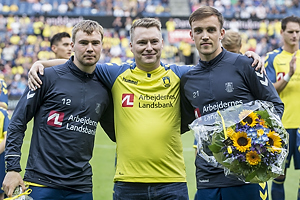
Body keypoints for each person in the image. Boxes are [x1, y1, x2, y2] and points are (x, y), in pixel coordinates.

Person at [27, 18, 264, 200]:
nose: (148, 47)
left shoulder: (180, 74)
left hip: (172, 183)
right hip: (127, 184)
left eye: (153, 41)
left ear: (162, 43)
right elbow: (78, 63)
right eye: (141, 42)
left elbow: (216, 66)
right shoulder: (114, 74)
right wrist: (42, 63)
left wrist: (245, 58)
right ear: (131, 46)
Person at [2, 20, 114, 200]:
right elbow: (17, 122)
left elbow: (117, 133)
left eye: (95, 43)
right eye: (83, 43)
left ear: (102, 46)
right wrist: (13, 168)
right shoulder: (46, 77)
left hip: (82, 187)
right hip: (41, 183)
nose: (90, 48)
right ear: (73, 45)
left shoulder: (105, 87)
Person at [180, 6, 284, 200]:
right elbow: (187, 121)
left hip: (247, 175)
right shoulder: (188, 78)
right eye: (198, 31)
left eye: (211, 30)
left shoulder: (246, 64)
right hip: (207, 179)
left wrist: (253, 140)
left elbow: (275, 106)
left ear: (221, 33)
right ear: (191, 35)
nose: (205, 36)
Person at [264, 15, 300, 200]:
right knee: (279, 177)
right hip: (281, 127)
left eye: (297, 32)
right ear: (282, 33)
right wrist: (288, 76)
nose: (294, 35)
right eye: (290, 31)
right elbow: (268, 90)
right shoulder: (273, 58)